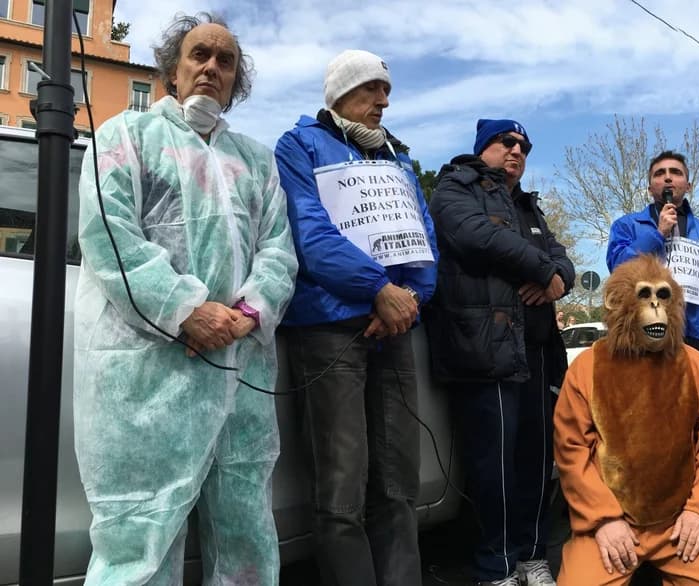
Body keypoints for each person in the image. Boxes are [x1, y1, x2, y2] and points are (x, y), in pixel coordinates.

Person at [73, 13, 298, 583]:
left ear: (234, 81)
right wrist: (184, 311)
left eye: (225, 61)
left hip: (241, 371)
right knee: (140, 539)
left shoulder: (256, 160)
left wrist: (247, 313)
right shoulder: (125, 136)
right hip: (152, 376)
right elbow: (110, 239)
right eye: (200, 54)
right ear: (174, 69)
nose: (212, 68)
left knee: (246, 533)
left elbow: (278, 251)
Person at [275, 49, 438, 585]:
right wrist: (377, 290)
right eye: (372, 88)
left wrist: (408, 299)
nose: (383, 101)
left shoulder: (398, 159)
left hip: (393, 330)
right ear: (341, 92)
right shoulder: (298, 146)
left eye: (386, 91)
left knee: (398, 485)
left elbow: (422, 240)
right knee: (341, 491)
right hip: (329, 331)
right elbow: (311, 235)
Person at [426, 119, 574, 586]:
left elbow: (564, 260)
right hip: (484, 350)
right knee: (495, 465)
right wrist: (542, 269)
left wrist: (557, 279)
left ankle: (533, 555)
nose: (516, 151)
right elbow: (475, 236)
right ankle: (497, 565)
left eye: (524, 147)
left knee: (535, 460)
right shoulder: (454, 188)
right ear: (481, 147)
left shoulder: (529, 206)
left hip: (537, 352)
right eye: (506, 142)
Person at [554, 255, 699, 586]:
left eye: (663, 296)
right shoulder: (588, 367)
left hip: (679, 518)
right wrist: (602, 519)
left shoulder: (695, 365)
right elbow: (571, 450)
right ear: (619, 303)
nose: (656, 306)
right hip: (613, 518)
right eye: (645, 295)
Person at [607, 150, 699, 354]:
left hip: (692, 333)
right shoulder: (627, 225)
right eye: (659, 173)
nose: (667, 177)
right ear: (650, 188)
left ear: (688, 186)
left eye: (676, 172)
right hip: (645, 332)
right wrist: (658, 234)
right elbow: (618, 267)